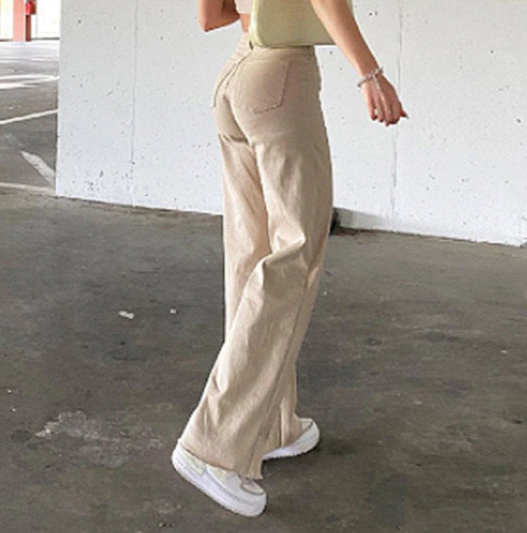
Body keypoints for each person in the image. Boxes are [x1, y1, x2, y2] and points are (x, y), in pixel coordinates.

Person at [171, 0, 408, 517]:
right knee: (296, 255)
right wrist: (369, 72)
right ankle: (214, 446)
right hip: (280, 77)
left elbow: (211, 17)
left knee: (252, 255)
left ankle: (271, 427)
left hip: (237, 77)